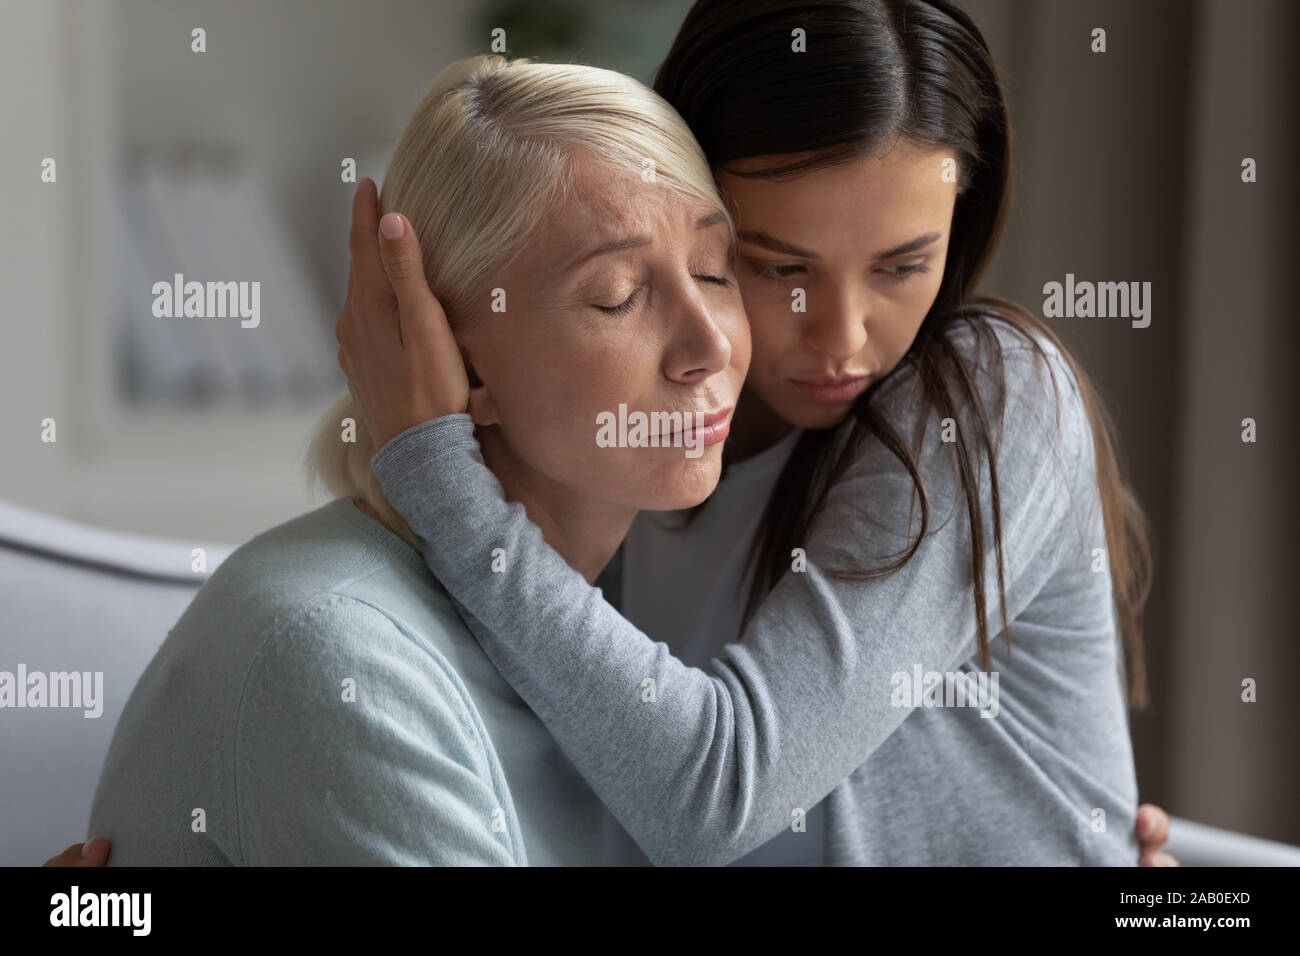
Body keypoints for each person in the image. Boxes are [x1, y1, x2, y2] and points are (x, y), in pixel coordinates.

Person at [336, 0, 1166, 866]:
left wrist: (432, 463)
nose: (843, 338)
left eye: (903, 266)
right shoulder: (652, 437)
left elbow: (714, 799)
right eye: (779, 267)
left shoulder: (990, 395)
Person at [78, 55, 747, 865]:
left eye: (715, 272)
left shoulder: (640, 630)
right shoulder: (338, 657)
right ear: (442, 352)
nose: (709, 344)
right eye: (616, 296)